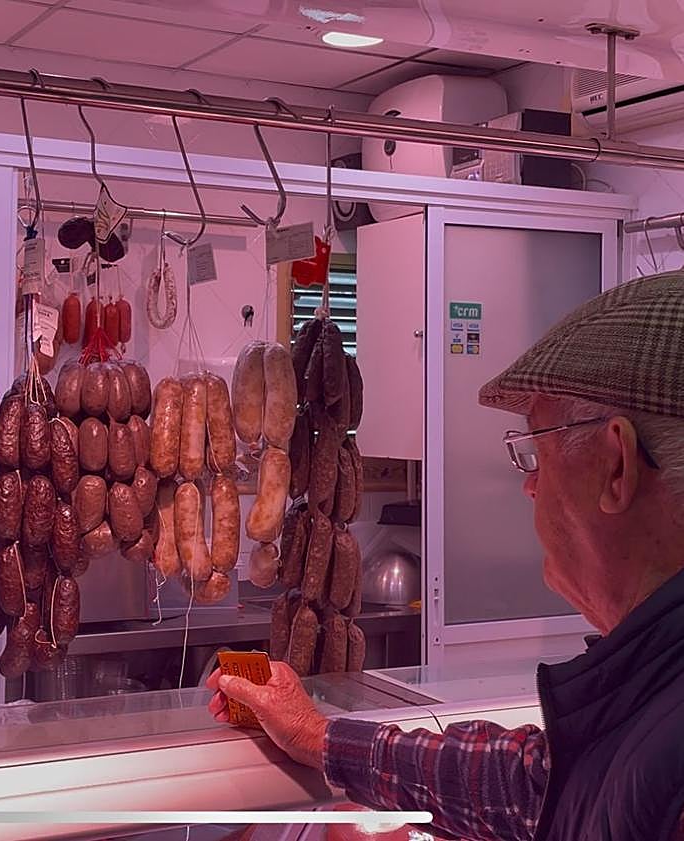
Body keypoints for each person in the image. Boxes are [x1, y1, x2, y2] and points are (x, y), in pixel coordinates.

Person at [209, 271, 684, 841]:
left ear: (616, 467)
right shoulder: (648, 686)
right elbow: (531, 787)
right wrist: (317, 735)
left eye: (534, 450)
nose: (529, 487)